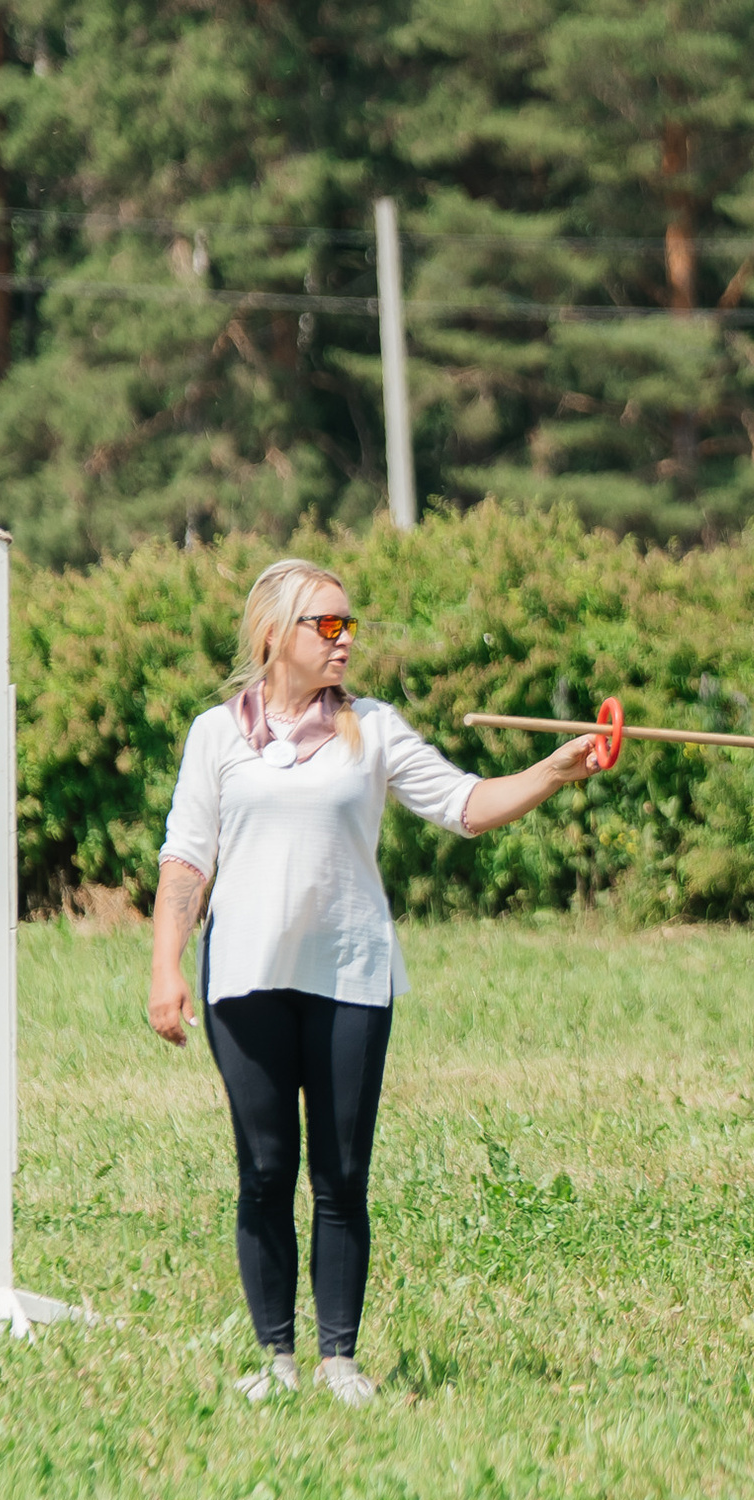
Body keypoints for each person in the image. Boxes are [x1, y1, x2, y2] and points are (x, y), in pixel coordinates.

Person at [148, 558, 605, 1406]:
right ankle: (276, 1360)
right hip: (243, 979)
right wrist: (166, 966)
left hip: (350, 975)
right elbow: (186, 857)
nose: (346, 638)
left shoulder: (375, 729)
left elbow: (465, 805)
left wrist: (551, 771)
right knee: (263, 1168)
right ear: (273, 635)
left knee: (342, 1173)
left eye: (350, 623)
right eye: (328, 625)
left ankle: (339, 1361)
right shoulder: (217, 735)